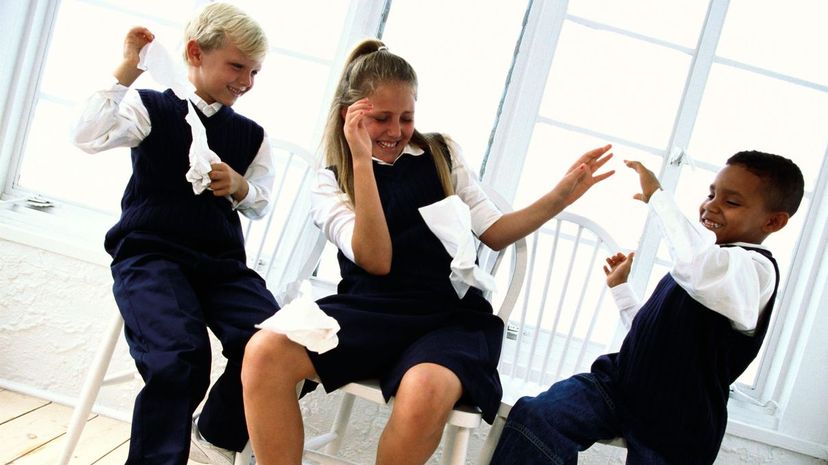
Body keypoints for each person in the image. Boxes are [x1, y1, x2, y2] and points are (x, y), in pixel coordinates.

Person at [240, 38, 614, 465]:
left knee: (426, 390)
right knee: (265, 352)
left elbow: (493, 232)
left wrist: (559, 197)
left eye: (406, 117)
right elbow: (376, 260)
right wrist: (362, 162)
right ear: (351, 116)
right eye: (381, 118)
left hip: (448, 317)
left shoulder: (440, 153)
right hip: (371, 310)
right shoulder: (331, 183)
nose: (396, 131)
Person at [489, 152, 805, 465]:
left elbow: (698, 263)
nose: (711, 205)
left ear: (773, 221)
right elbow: (651, 332)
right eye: (711, 194)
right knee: (540, 415)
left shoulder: (751, 270)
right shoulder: (700, 267)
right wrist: (621, 289)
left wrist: (658, 198)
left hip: (681, 418)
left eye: (731, 202)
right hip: (619, 387)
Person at [71, 4, 276, 464]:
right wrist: (128, 68)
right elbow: (86, 134)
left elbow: (261, 198)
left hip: (221, 266)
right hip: (151, 256)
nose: (246, 81)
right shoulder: (154, 108)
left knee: (276, 343)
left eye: (255, 71)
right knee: (180, 357)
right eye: (237, 66)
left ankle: (214, 434)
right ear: (194, 53)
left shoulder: (251, 135)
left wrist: (241, 187)